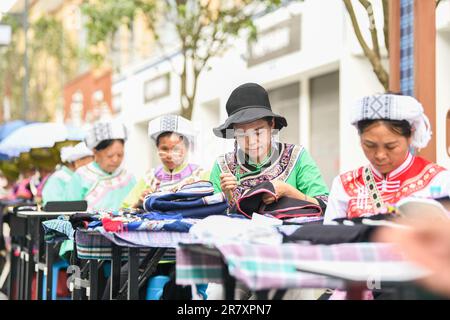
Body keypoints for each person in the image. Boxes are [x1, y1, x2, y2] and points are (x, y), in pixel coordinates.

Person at [324, 93, 450, 224]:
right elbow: (327, 236)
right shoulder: (344, 185)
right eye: (369, 145)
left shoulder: (439, 181)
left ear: (410, 136)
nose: (380, 155)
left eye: (390, 146)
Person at [210, 83, 329, 212]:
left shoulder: (297, 156)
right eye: (241, 134)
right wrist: (227, 197)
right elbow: (208, 220)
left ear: (271, 124)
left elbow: (325, 206)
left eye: (258, 131)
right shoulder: (222, 167)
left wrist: (290, 192)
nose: (251, 141)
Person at [122, 114, 209, 209]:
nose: (169, 155)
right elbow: (124, 209)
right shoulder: (149, 178)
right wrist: (139, 204)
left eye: (176, 149)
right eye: (164, 148)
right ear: (157, 148)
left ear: (187, 148)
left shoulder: (200, 175)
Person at [66, 121, 136, 211]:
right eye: (110, 156)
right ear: (96, 153)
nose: (115, 160)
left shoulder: (128, 177)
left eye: (120, 155)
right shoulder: (82, 176)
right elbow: (70, 211)